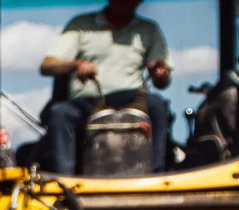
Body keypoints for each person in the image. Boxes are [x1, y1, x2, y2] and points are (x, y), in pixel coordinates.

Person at [38, 0, 172, 175]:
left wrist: (160, 73)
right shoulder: (80, 25)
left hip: (133, 100)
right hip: (87, 102)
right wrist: (76, 64)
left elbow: (162, 83)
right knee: (60, 113)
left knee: (159, 107)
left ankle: (157, 176)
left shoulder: (149, 29)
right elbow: (47, 65)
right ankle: (65, 183)